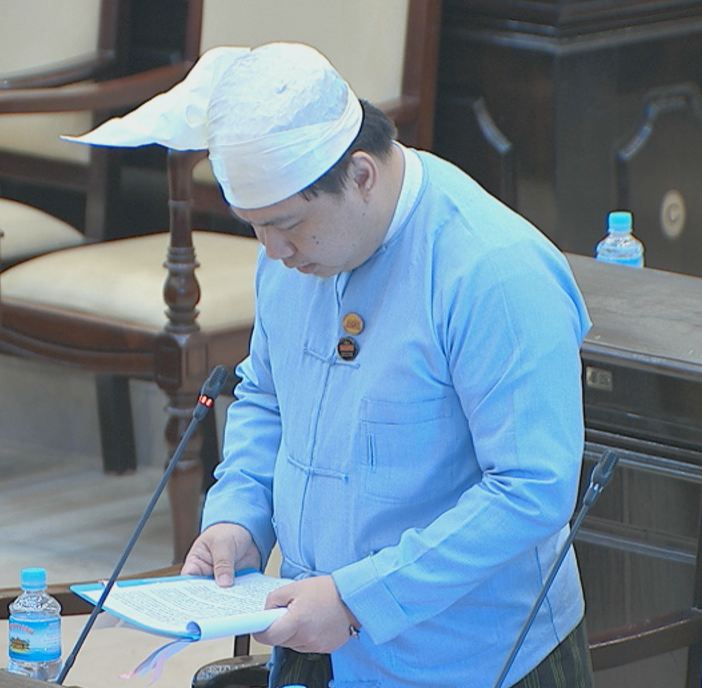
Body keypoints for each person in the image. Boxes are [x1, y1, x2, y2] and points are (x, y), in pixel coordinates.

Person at [69, 43, 594, 688]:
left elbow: (531, 490)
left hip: (476, 659)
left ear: (362, 175)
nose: (273, 250)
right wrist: (238, 515)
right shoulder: (293, 254)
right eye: (255, 226)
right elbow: (266, 395)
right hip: (313, 634)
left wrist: (357, 599)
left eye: (287, 224)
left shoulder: (495, 272)